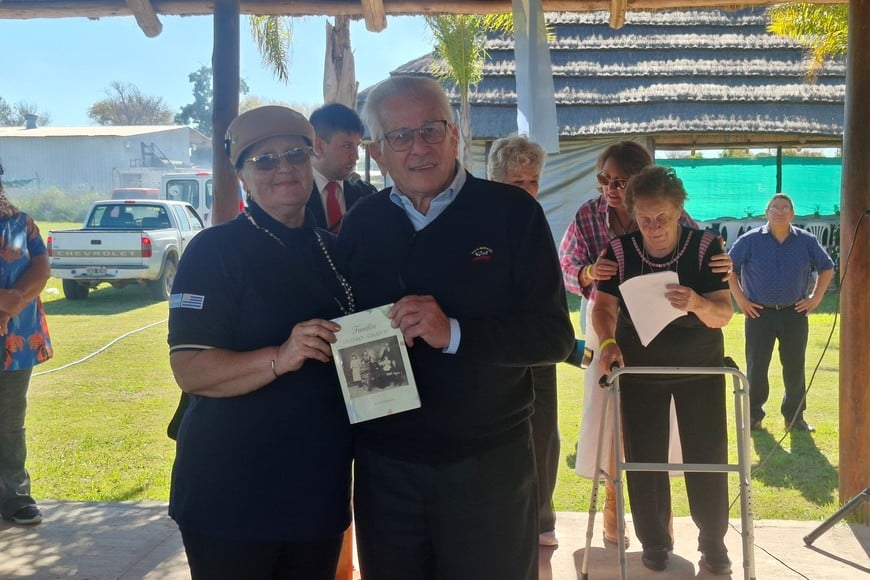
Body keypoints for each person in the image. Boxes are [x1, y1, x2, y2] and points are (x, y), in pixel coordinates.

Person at [338, 76, 575, 579]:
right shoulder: (362, 223)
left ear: (456, 134)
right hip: (387, 466)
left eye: (430, 129)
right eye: (399, 136)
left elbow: (552, 336)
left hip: (488, 462)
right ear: (378, 152)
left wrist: (455, 334)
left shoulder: (513, 214)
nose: (418, 147)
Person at [167, 106, 353, 579]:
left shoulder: (332, 250)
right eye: (264, 160)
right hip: (234, 492)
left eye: (295, 153)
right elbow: (191, 369)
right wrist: (280, 356)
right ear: (243, 175)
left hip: (316, 488)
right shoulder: (214, 251)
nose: (284, 168)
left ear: (311, 160)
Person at [558, 141, 732, 546]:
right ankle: (632, 526)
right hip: (623, 346)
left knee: (695, 448)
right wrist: (589, 277)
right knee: (629, 443)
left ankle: (694, 533)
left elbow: (717, 293)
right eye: (604, 179)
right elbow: (573, 274)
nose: (654, 227)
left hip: (690, 355)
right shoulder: (598, 226)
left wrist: (705, 290)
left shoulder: (691, 233)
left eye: (619, 181)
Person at [487, 134, 561, 547]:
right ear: (495, 180)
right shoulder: (476, 222)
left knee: (544, 433)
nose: (529, 191)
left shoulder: (536, 220)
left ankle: (541, 517)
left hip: (539, 349)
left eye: (534, 182)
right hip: (494, 350)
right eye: (519, 183)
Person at [728, 193, 834, 433]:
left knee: (795, 366)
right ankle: (753, 415)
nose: (779, 211)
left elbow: (827, 268)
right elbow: (729, 269)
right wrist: (741, 300)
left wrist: (815, 298)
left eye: (785, 207)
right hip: (758, 314)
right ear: (766, 212)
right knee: (757, 366)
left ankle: (795, 418)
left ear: (792, 213)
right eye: (774, 207)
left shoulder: (806, 241)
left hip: (794, 313)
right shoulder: (750, 240)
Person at [0, 161, 53, 526]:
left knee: (9, 421)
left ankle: (15, 497)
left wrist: (14, 300)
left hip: (16, 338)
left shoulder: (18, 225)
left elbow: (39, 266)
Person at [307, 102, 378, 233]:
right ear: (318, 146)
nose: (356, 156)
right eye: (347, 146)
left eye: (357, 146)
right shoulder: (294, 197)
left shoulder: (365, 194)